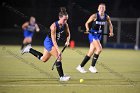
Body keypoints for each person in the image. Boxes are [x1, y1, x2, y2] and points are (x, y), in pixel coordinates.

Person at [21, 7, 71, 81]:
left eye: (66, 19)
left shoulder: (65, 24)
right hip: (49, 43)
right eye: (64, 19)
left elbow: (68, 34)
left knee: (44, 59)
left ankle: (29, 49)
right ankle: (62, 77)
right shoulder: (53, 26)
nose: (65, 21)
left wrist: (68, 40)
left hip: (52, 43)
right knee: (58, 57)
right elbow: (53, 41)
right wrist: (58, 50)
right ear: (59, 18)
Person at [76, 3, 114, 73]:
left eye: (103, 8)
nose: (102, 9)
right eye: (100, 8)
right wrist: (87, 29)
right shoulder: (94, 16)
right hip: (92, 34)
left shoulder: (106, 17)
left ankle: (80, 66)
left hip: (99, 34)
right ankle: (92, 66)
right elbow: (86, 23)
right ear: (98, 9)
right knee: (99, 49)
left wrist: (111, 32)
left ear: (105, 9)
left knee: (90, 52)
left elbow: (110, 24)